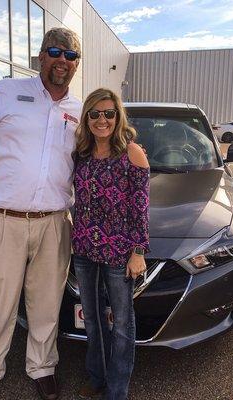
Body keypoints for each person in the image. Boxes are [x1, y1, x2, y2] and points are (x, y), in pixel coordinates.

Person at [0, 28, 82, 400]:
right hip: (4, 219)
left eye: (70, 56)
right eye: (55, 52)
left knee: (46, 300)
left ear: (76, 65)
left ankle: (42, 366)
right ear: (41, 56)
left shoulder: (79, 111)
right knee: (1, 298)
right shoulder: (5, 93)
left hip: (55, 223)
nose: (62, 60)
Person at [72, 88, 150, 400]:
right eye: (95, 113)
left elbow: (141, 207)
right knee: (91, 319)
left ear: (117, 117)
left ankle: (117, 391)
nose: (101, 119)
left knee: (121, 323)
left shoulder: (132, 153)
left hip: (119, 253)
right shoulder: (80, 154)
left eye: (108, 113)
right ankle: (97, 377)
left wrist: (138, 250)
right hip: (84, 250)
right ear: (87, 117)